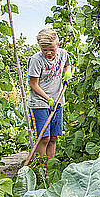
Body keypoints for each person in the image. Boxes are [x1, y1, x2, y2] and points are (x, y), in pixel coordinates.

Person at [27, 28, 73, 160]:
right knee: (44, 137)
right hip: (40, 102)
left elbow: (67, 65)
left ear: (57, 45)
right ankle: (42, 169)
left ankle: (50, 165)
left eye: (51, 49)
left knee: (53, 137)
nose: (48, 53)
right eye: (44, 49)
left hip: (58, 100)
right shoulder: (36, 60)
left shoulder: (63, 54)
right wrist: (48, 99)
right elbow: (33, 84)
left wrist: (67, 72)